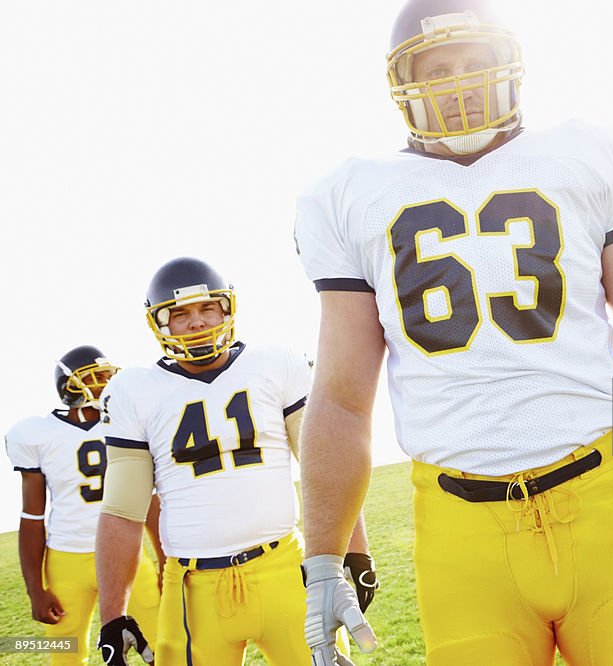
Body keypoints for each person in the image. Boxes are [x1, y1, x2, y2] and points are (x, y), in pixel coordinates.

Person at [294, 0, 613, 666]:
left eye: (474, 61)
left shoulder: (589, 153)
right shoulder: (346, 196)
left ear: (510, 61)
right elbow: (343, 398)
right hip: (459, 532)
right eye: (437, 70)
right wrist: (322, 559)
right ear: (403, 85)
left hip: (605, 504)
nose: (460, 85)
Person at [93, 257, 376, 666]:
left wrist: (353, 553)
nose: (197, 323)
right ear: (159, 324)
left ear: (227, 308)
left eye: (207, 308)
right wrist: (112, 616)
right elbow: (122, 511)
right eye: (180, 314)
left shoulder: (275, 364)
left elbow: (328, 467)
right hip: (193, 587)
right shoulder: (134, 391)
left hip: (284, 567)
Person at [4, 345, 161, 666]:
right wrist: (35, 589)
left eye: (108, 376)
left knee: (162, 644)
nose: (106, 383)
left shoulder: (129, 424)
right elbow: (32, 515)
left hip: (127, 553)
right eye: (96, 377)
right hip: (67, 560)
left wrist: (163, 558)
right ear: (69, 386)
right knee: (66, 654)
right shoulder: (36, 434)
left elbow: (149, 499)